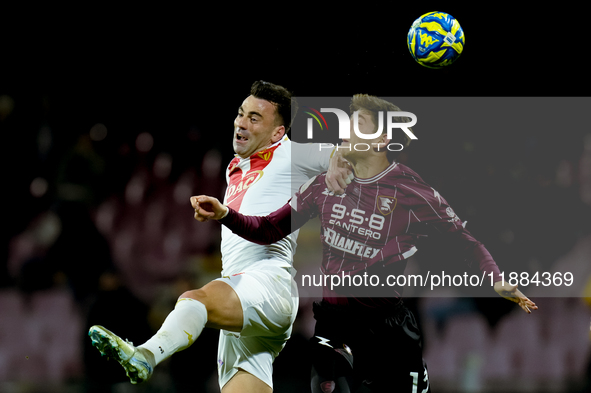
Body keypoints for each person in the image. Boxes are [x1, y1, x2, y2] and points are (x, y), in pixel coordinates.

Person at [192, 94, 538, 392]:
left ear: (381, 139)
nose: (345, 132)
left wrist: (495, 278)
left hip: (389, 331)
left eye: (357, 125)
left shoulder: (409, 190)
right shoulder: (327, 184)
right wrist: (225, 214)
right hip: (334, 326)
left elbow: (463, 239)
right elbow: (268, 230)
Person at [88, 80, 351, 392]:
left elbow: (340, 153)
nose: (241, 122)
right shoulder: (235, 167)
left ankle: (145, 355)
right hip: (244, 298)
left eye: (255, 118)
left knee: (194, 298)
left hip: (267, 285)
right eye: (241, 113)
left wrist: (338, 164)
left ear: (277, 133)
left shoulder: (291, 153)